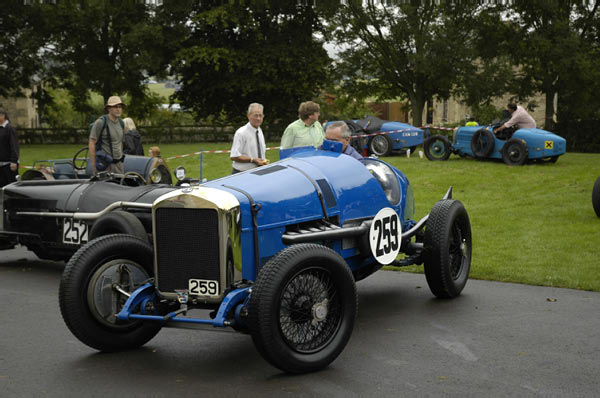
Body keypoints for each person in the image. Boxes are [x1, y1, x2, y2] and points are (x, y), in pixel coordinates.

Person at [89, 96, 126, 174]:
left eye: (120, 107)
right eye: (115, 107)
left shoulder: (121, 123)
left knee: (121, 185)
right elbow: (92, 143)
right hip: (105, 165)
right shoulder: (101, 122)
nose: (118, 109)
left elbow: (120, 143)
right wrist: (94, 166)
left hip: (119, 164)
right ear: (109, 108)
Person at [230, 103, 269, 174]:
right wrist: (253, 160)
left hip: (258, 172)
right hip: (241, 174)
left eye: (260, 115)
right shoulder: (241, 133)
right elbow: (234, 156)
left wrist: (263, 160)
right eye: (255, 115)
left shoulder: (259, 131)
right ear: (248, 116)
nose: (258, 118)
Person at [0, 108, 19, 187]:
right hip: (0, 165)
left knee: (11, 187)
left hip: (9, 165)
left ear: (2, 116)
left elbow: (14, 145)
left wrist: (14, 161)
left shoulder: (9, 128)